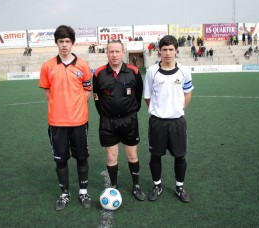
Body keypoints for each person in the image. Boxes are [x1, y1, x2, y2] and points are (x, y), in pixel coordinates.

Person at [39, 25, 93, 211]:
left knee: (81, 157)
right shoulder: (47, 66)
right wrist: (60, 105)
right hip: (57, 122)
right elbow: (47, 91)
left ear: (72, 43)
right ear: (56, 43)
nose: (64, 45)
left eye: (67, 41)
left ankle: (83, 192)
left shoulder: (83, 65)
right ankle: (64, 194)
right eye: (61, 41)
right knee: (60, 160)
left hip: (79, 121)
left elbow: (87, 89)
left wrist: (75, 105)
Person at [143, 35, 194, 203]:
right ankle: (157, 185)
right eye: (164, 49)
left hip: (177, 122)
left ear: (176, 50)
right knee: (155, 156)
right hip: (157, 122)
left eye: (171, 49)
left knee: (180, 156)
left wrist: (178, 109)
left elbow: (188, 94)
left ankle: (179, 187)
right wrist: (157, 111)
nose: (167, 53)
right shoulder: (152, 71)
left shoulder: (184, 71)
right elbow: (148, 97)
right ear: (159, 51)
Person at [93, 40, 145, 201]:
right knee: (111, 156)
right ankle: (114, 187)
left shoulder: (133, 71)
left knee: (132, 155)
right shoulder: (98, 73)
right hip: (108, 122)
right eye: (111, 51)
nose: (114, 55)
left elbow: (138, 95)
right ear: (107, 53)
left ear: (123, 53)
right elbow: (96, 98)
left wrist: (130, 112)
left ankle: (136, 186)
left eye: (117, 51)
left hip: (129, 120)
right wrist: (106, 113)